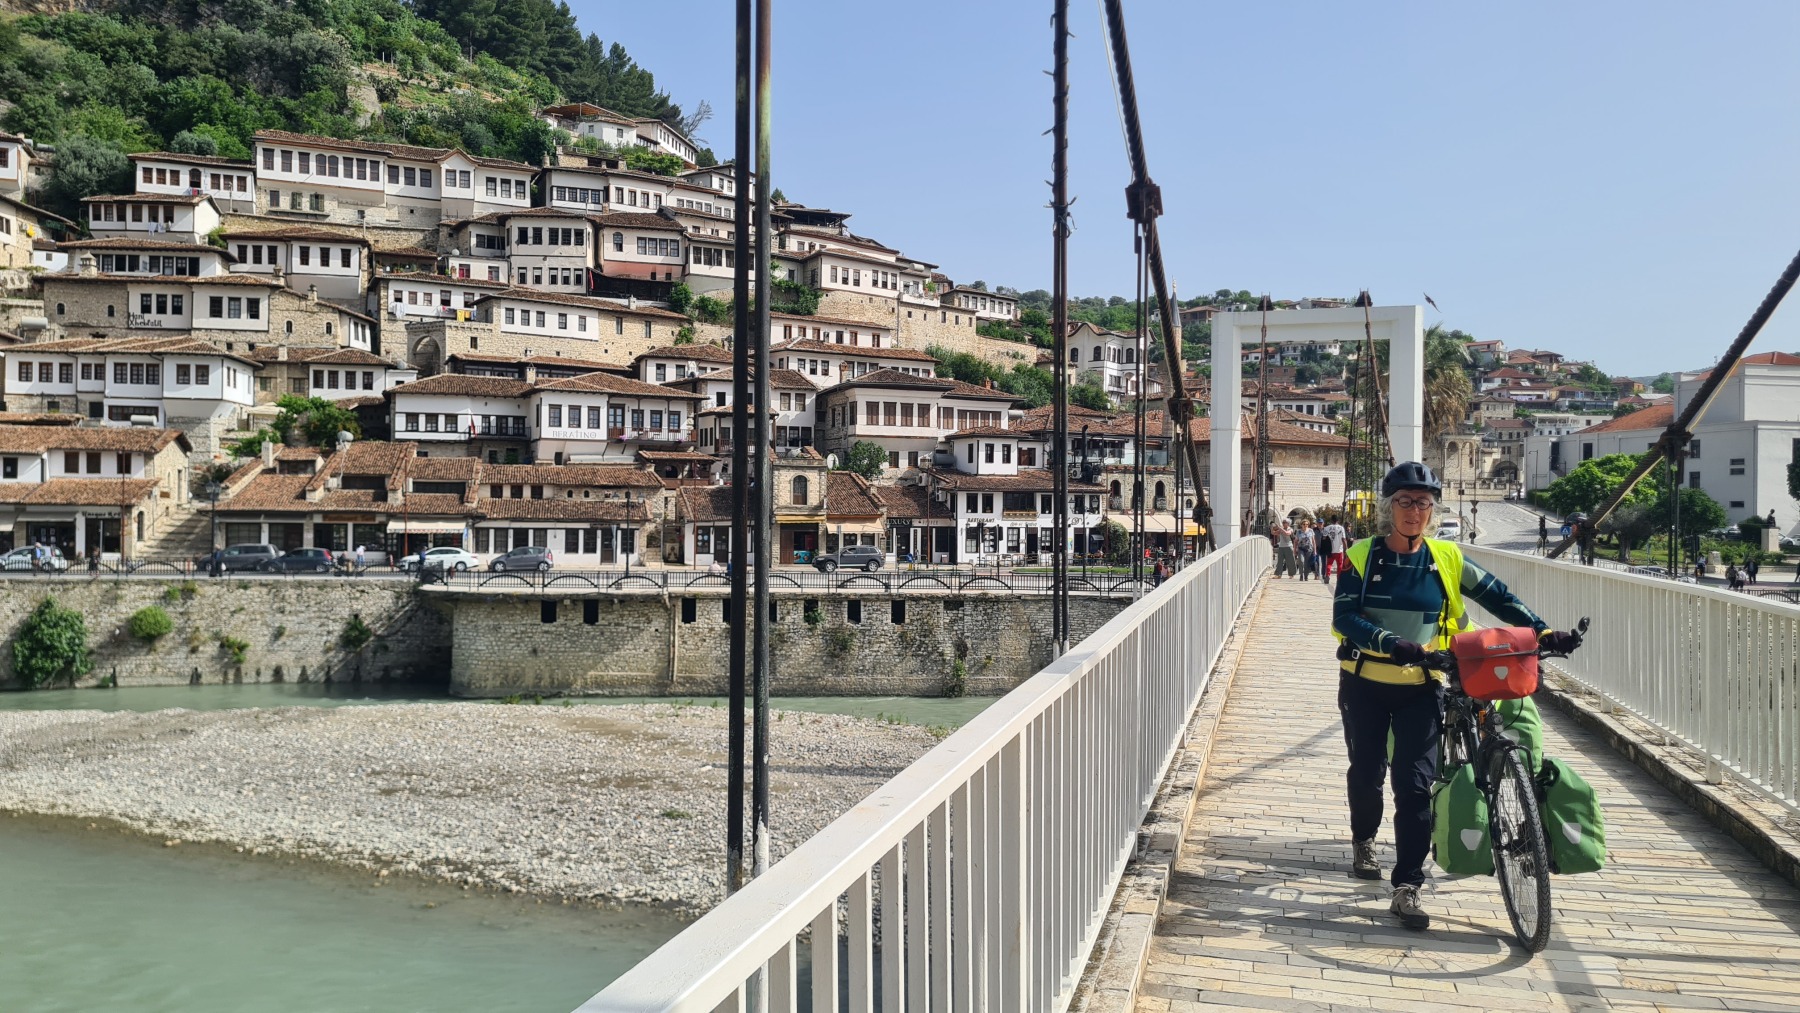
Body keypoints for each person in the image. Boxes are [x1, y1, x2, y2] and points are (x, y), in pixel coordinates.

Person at [1333, 461, 1581, 931]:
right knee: (1367, 774)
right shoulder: (1360, 556)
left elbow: (1498, 596)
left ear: (1433, 510)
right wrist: (1390, 643)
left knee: (1414, 787)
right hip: (1365, 685)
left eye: (1423, 503)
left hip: (1422, 687)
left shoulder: (1446, 557)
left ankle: (1407, 886)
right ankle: (1363, 838)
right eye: (1405, 502)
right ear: (1389, 508)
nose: (1414, 511)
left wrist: (1543, 631)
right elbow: (1345, 617)